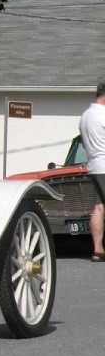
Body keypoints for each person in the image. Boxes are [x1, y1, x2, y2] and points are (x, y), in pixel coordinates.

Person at [78, 81, 105, 262]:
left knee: (98, 207)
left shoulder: (85, 116)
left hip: (93, 165)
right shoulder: (103, 115)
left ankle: (98, 250)